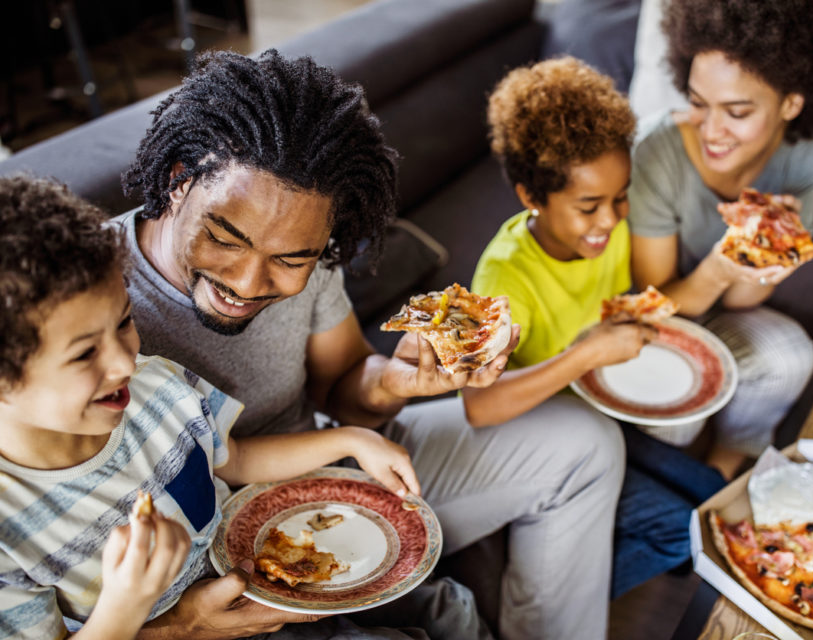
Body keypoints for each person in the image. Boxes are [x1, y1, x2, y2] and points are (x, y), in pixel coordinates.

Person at [117, 49, 625, 640]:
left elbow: (344, 386)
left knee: (587, 444)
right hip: (200, 547)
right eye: (226, 240)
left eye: (291, 260)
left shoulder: (308, 227)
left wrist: (396, 383)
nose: (250, 284)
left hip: (331, 468)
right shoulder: (86, 302)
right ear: (178, 181)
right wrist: (173, 629)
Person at [0, 176, 423, 639]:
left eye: (124, 322)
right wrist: (125, 607)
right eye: (84, 354)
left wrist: (351, 438)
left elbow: (233, 459)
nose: (125, 362)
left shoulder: (157, 382)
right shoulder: (9, 529)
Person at [467, 56, 726, 600]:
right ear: (532, 197)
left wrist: (724, 268)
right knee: (685, 533)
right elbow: (478, 408)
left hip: (595, 412)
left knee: (714, 493)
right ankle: (544, 596)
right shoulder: (504, 278)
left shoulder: (608, 233)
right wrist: (586, 354)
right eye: (589, 207)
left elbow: (644, 300)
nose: (610, 220)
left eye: (620, 197)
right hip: (532, 432)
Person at [628, 0, 813, 477]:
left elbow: (743, 302)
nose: (712, 130)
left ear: (791, 104)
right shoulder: (657, 154)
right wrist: (722, 264)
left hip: (722, 310)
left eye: (737, 111)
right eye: (698, 103)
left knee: (792, 356)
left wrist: (762, 254)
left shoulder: (805, 158)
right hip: (654, 316)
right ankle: (664, 481)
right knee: (672, 415)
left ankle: (723, 468)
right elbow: (655, 302)